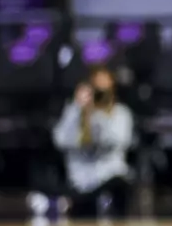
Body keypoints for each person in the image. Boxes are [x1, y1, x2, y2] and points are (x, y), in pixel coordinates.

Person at [52, 65, 135, 217]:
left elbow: (118, 141)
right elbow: (59, 140)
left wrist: (99, 117)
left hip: (109, 176)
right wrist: (78, 108)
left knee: (121, 184)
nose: (100, 95)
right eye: (96, 89)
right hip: (81, 181)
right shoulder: (74, 111)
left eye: (104, 90)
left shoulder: (122, 113)